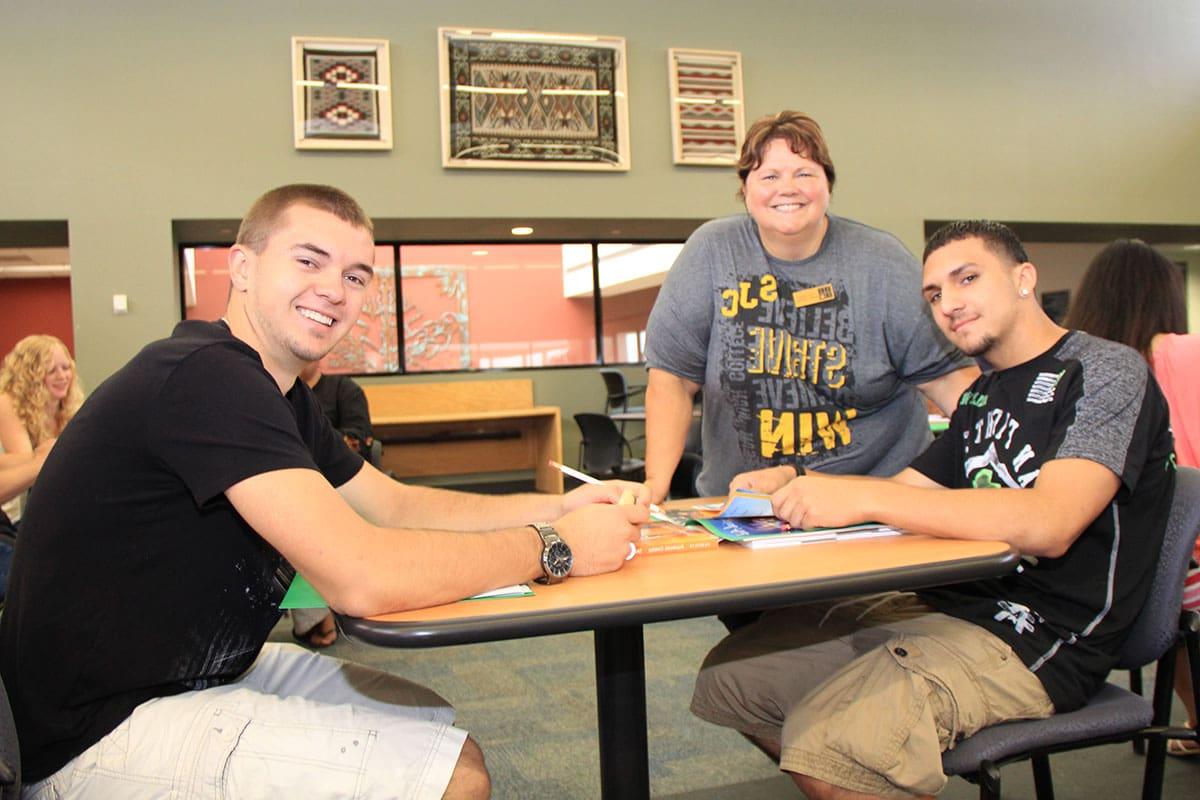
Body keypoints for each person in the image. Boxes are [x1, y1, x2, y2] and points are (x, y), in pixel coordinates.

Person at [0, 184, 649, 799]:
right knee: (454, 776)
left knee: (428, 719)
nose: (334, 291)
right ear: (243, 267)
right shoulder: (208, 377)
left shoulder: (279, 394)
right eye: (309, 261)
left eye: (356, 276)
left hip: (198, 676)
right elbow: (361, 577)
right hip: (100, 729)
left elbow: (393, 502)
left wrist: (557, 504)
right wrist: (556, 544)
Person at [690, 221, 1176, 799]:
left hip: (1040, 635)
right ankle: (861, 763)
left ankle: (849, 756)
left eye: (967, 278)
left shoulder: (1104, 371)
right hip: (948, 602)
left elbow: (1050, 523)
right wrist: (796, 481)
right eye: (935, 295)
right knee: (734, 678)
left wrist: (865, 495)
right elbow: (905, 490)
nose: (950, 304)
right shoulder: (982, 395)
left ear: (1024, 278)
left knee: (830, 742)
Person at [642, 110, 979, 504]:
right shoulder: (713, 252)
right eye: (769, 176)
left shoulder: (883, 262)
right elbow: (672, 381)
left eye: (804, 174)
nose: (788, 189)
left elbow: (952, 381)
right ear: (745, 190)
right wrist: (655, 488)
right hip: (741, 507)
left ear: (828, 187)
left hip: (872, 503)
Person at [1065, 238, 1200, 756]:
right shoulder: (1182, 352)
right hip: (1177, 549)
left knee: (1176, 585)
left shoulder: (1078, 372)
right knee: (1184, 580)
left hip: (1120, 568)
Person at [291, 361, 377, 647]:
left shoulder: (344, 390)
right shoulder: (278, 391)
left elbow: (357, 439)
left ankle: (316, 618)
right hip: (292, 482)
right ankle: (314, 616)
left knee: (305, 522)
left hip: (338, 483)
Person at [0, 334, 83, 521]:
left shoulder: (68, 408)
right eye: (51, 370)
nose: (62, 376)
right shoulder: (7, 404)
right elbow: (30, 463)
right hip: (14, 517)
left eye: (66, 367)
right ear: (30, 375)